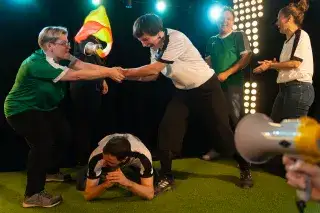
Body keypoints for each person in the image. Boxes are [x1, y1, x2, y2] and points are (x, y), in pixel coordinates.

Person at [121, 13, 253, 194]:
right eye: (141, 41)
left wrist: (125, 71)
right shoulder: (155, 47)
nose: (144, 44)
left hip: (207, 88)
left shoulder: (176, 38)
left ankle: (245, 168)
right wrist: (125, 77)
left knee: (222, 133)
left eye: (145, 39)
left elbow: (155, 68)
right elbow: (153, 75)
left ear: (158, 33)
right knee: (168, 129)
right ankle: (167, 177)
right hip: (183, 92)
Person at [4, 26, 124, 208]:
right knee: (42, 144)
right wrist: (107, 72)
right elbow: (77, 75)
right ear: (49, 45)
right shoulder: (38, 63)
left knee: (64, 135)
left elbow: (83, 65)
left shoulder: (61, 56)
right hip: (20, 109)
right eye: (63, 42)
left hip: (45, 108)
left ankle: (50, 171)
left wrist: (106, 72)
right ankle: (33, 195)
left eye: (67, 41)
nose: (68, 46)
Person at [203, 6, 252, 161]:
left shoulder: (239, 36)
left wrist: (227, 73)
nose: (224, 22)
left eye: (228, 19)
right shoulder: (211, 40)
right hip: (215, 86)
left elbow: (246, 58)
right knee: (217, 118)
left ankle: (243, 157)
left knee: (236, 119)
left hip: (234, 85)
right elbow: (207, 63)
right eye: (222, 19)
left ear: (233, 21)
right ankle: (219, 149)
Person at [253, 0, 314, 123]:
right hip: (286, 90)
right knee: (276, 125)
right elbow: (289, 66)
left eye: (279, 19)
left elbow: (295, 63)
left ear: (289, 18)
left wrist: (271, 65)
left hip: (299, 89)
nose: (277, 23)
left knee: (291, 133)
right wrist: (273, 64)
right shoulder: (287, 42)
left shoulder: (301, 35)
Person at [76, 133, 155, 200]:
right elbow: (87, 195)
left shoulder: (143, 157)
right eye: (104, 158)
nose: (104, 162)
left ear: (124, 159)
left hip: (133, 162)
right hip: (107, 159)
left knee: (150, 181)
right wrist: (105, 185)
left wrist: (127, 183)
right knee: (81, 184)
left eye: (109, 161)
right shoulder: (97, 157)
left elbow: (150, 194)